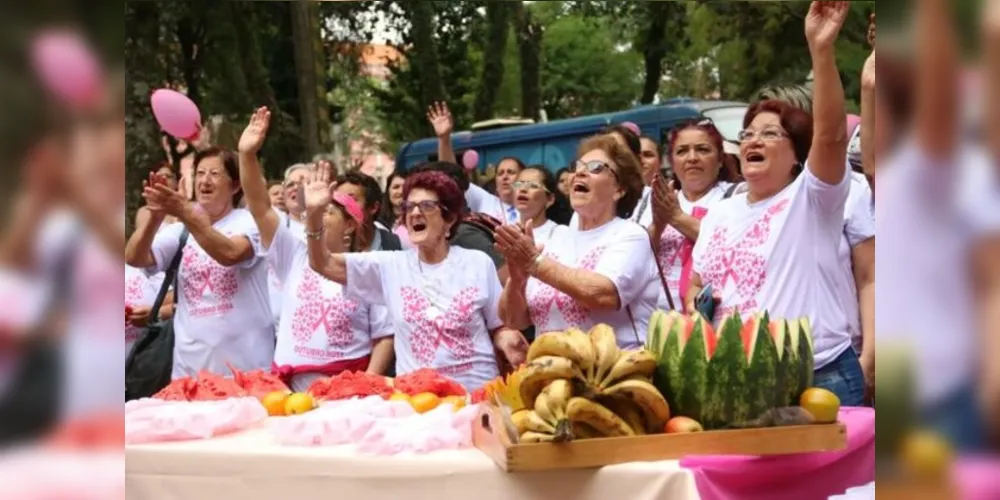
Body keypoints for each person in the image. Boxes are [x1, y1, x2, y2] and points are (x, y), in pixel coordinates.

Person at [687, 1, 863, 406]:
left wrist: (821, 49)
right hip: (739, 380)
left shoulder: (812, 199)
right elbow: (700, 285)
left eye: (770, 134)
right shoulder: (721, 212)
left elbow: (832, 135)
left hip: (819, 376)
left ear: (798, 154)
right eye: (747, 134)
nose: (753, 140)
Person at [305, 169, 527, 390]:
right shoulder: (390, 265)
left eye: (427, 206)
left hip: (476, 394)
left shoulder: (477, 262)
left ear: (448, 220)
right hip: (418, 402)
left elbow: (499, 326)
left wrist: (506, 338)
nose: (414, 213)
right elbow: (323, 263)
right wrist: (315, 216)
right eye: (409, 207)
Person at [237, 107, 394, 391]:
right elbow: (259, 206)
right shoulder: (293, 254)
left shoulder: (368, 267)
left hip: (347, 389)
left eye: (327, 212)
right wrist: (247, 155)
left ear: (349, 225)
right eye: (314, 211)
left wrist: (368, 382)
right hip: (290, 389)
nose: (319, 215)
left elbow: (384, 335)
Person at [496, 135, 660, 349]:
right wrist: (517, 281)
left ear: (620, 189)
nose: (579, 172)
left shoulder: (630, 235)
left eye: (595, 167)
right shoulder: (555, 238)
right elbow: (514, 320)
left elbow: (602, 294)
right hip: (551, 375)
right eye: (577, 166)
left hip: (612, 376)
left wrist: (535, 263)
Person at [125, 147, 274, 378]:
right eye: (200, 173)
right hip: (189, 371)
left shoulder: (249, 222)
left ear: (235, 186)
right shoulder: (180, 231)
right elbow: (135, 257)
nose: (205, 181)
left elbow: (230, 253)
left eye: (215, 174)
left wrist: (186, 213)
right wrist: (155, 217)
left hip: (247, 370)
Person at [645, 120, 740, 309]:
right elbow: (640, 257)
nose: (692, 158)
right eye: (682, 151)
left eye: (703, 150)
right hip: (658, 318)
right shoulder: (657, 198)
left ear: (720, 160)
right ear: (672, 162)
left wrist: (676, 217)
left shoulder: (736, 196)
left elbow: (731, 248)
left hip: (711, 316)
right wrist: (658, 225)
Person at [335, 171, 403, 251]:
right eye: (338, 201)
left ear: (373, 207)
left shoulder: (393, 245)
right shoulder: (328, 245)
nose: (343, 206)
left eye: (351, 200)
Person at [512, 165, 571, 247]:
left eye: (533, 186)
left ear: (550, 199)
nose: (523, 189)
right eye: (519, 185)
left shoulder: (563, 234)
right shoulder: (504, 232)